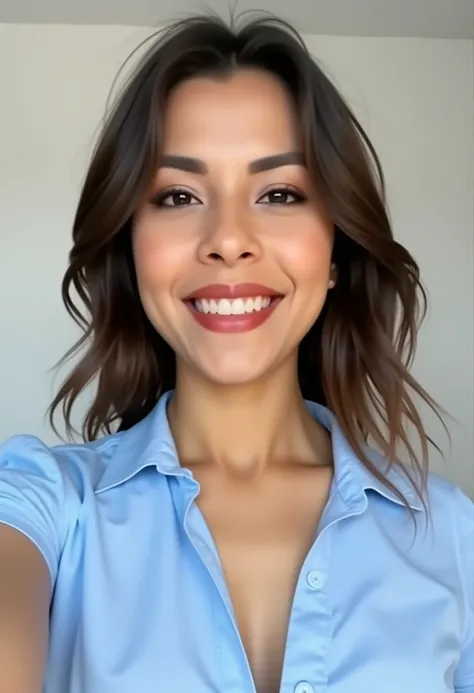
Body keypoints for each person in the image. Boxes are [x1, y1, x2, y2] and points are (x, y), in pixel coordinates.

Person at [0, 12, 472, 693]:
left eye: (279, 193)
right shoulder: (47, 504)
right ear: (131, 248)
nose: (228, 238)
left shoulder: (453, 536)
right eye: (179, 195)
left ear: (335, 250)